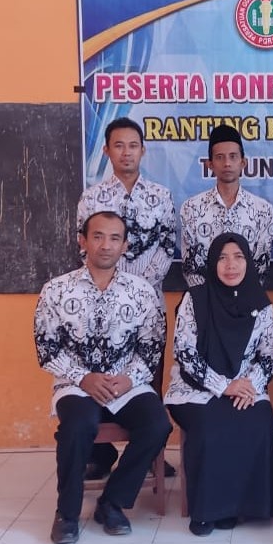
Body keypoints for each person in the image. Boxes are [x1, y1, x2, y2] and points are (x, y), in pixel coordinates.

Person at [34, 211, 173, 544]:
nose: (106, 245)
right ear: (82, 241)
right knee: (78, 425)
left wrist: (129, 379)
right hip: (75, 385)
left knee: (157, 425)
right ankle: (67, 514)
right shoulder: (56, 290)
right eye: (98, 236)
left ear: (125, 245)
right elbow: (47, 349)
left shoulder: (142, 292)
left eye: (114, 238)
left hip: (127, 383)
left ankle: (112, 502)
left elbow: (152, 346)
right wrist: (83, 378)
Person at [77, 116, 177, 481]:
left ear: (143, 151)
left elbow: (168, 247)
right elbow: (86, 250)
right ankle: (99, 454)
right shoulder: (92, 198)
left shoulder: (161, 196)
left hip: (148, 303)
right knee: (100, 372)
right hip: (100, 305)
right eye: (118, 146)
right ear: (106, 151)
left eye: (133, 146)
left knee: (147, 376)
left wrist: (136, 288)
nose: (126, 153)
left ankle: (149, 452)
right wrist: (116, 287)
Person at [165, 232, 273, 537]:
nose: (231, 265)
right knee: (212, 423)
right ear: (212, 263)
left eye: (238, 257)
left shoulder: (261, 304)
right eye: (222, 258)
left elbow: (270, 355)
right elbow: (185, 352)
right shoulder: (194, 300)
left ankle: (242, 506)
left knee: (258, 420)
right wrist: (223, 386)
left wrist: (249, 384)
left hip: (246, 385)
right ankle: (208, 510)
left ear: (249, 262)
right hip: (195, 387)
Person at [180, 124, 273, 288]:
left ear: (243, 162)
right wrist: (210, 298)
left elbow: (260, 267)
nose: (227, 163)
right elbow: (191, 268)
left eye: (233, 156)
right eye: (219, 157)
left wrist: (238, 297)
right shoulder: (191, 208)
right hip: (204, 298)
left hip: (247, 299)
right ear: (210, 164)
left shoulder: (263, 210)